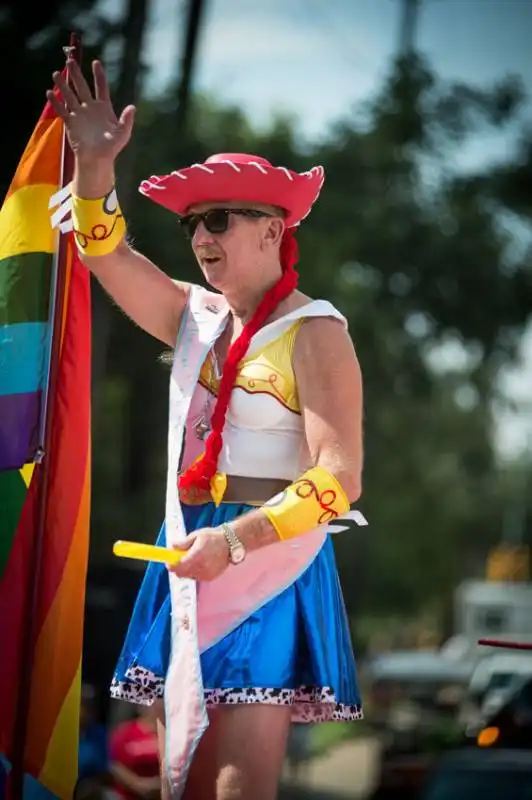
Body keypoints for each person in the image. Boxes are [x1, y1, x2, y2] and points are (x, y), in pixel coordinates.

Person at [48, 58, 365, 800]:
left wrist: (234, 541)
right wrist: (95, 167)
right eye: (193, 224)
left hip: (268, 559)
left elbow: (340, 477)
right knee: (176, 784)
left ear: (273, 230)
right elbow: (103, 249)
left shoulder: (315, 332)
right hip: (186, 546)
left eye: (218, 219)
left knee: (232, 790)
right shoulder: (195, 317)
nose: (200, 237)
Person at [108, 706, 161, 800]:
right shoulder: (125, 731)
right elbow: (115, 765)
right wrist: (139, 785)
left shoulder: (170, 733)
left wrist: (157, 786)